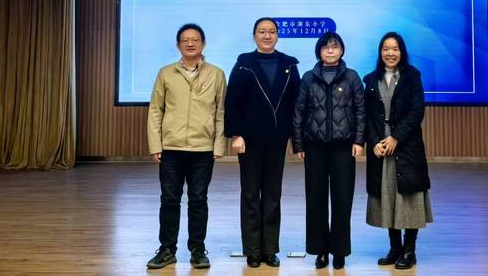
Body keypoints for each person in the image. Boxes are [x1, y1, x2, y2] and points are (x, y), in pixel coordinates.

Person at [146, 23, 227, 270]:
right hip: (171, 148)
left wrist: (219, 145)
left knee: (198, 200)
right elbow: (155, 110)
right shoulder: (165, 73)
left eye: (195, 39)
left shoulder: (216, 74)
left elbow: (221, 112)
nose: (190, 43)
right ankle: (167, 250)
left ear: (203, 44)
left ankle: (198, 250)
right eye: (185, 40)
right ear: (178, 45)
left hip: (203, 149)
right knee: (169, 200)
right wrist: (155, 144)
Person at [224, 17, 300, 268]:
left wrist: (296, 137)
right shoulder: (244, 63)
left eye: (271, 32)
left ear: (277, 35)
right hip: (249, 140)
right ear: (254, 35)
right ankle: (253, 250)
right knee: (250, 194)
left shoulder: (289, 64)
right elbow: (232, 101)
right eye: (262, 32)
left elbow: (296, 104)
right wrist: (236, 134)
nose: (267, 36)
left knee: (272, 194)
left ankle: (270, 249)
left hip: (277, 140)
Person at [292, 31, 365, 270]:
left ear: (341, 50)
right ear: (319, 51)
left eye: (334, 46)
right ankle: (320, 250)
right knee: (316, 199)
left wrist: (359, 141)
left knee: (342, 200)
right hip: (315, 148)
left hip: (344, 148)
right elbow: (299, 112)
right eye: (325, 47)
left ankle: (340, 251)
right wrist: (299, 144)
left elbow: (360, 111)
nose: (330, 51)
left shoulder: (352, 77)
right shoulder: (308, 78)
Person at [363, 32, 433, 270]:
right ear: (380, 52)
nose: (390, 53)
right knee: (388, 196)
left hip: (406, 146)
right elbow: (367, 116)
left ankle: (409, 250)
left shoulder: (412, 76)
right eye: (386, 49)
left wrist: (396, 137)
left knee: (409, 197)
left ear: (401, 52)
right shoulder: (371, 80)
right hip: (381, 147)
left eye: (395, 49)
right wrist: (374, 141)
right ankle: (394, 248)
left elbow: (417, 111)